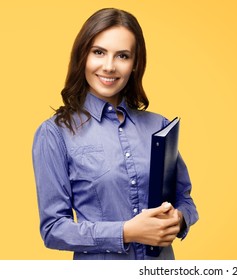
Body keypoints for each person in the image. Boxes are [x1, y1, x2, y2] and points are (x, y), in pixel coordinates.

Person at [32, 7, 198, 260]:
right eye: (99, 52)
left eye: (122, 56)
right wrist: (126, 232)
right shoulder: (55, 133)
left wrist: (180, 218)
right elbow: (53, 230)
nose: (109, 66)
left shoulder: (158, 126)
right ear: (82, 57)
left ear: (134, 64)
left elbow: (184, 199)